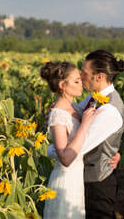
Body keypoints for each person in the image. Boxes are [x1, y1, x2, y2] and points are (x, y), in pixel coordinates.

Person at [48, 50, 124, 219]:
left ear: (99, 76)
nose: (81, 77)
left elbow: (77, 148)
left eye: (84, 73)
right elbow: (75, 111)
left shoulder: (109, 110)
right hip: (82, 180)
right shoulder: (95, 98)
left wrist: (50, 149)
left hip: (96, 185)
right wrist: (59, 111)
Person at [41, 61, 98, 219]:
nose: (82, 84)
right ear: (62, 85)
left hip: (76, 179)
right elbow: (65, 158)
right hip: (65, 181)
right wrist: (85, 125)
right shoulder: (58, 115)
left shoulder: (76, 108)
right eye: (76, 81)